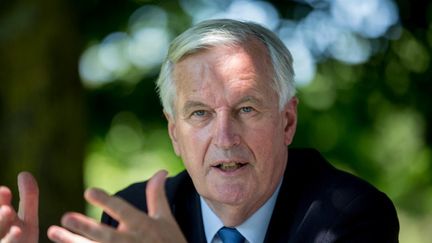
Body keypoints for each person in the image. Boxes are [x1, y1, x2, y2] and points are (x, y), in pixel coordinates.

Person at [0, 19, 399, 243]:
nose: (225, 137)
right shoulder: (135, 214)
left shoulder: (352, 216)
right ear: (175, 134)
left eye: (246, 108)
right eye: (200, 114)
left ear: (287, 122)